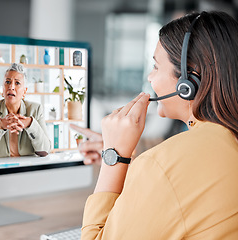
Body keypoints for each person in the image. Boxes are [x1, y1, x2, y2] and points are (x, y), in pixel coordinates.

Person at [76, 11, 238, 239]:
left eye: (156, 67)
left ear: (188, 80)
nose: (150, 78)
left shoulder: (163, 166)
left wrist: (114, 157)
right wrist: (129, 160)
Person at [0, 63, 51, 161]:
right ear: (3, 89)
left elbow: (46, 150)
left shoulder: (35, 110)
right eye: (7, 82)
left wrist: (29, 124)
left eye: (17, 83)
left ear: (24, 91)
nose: (11, 87)